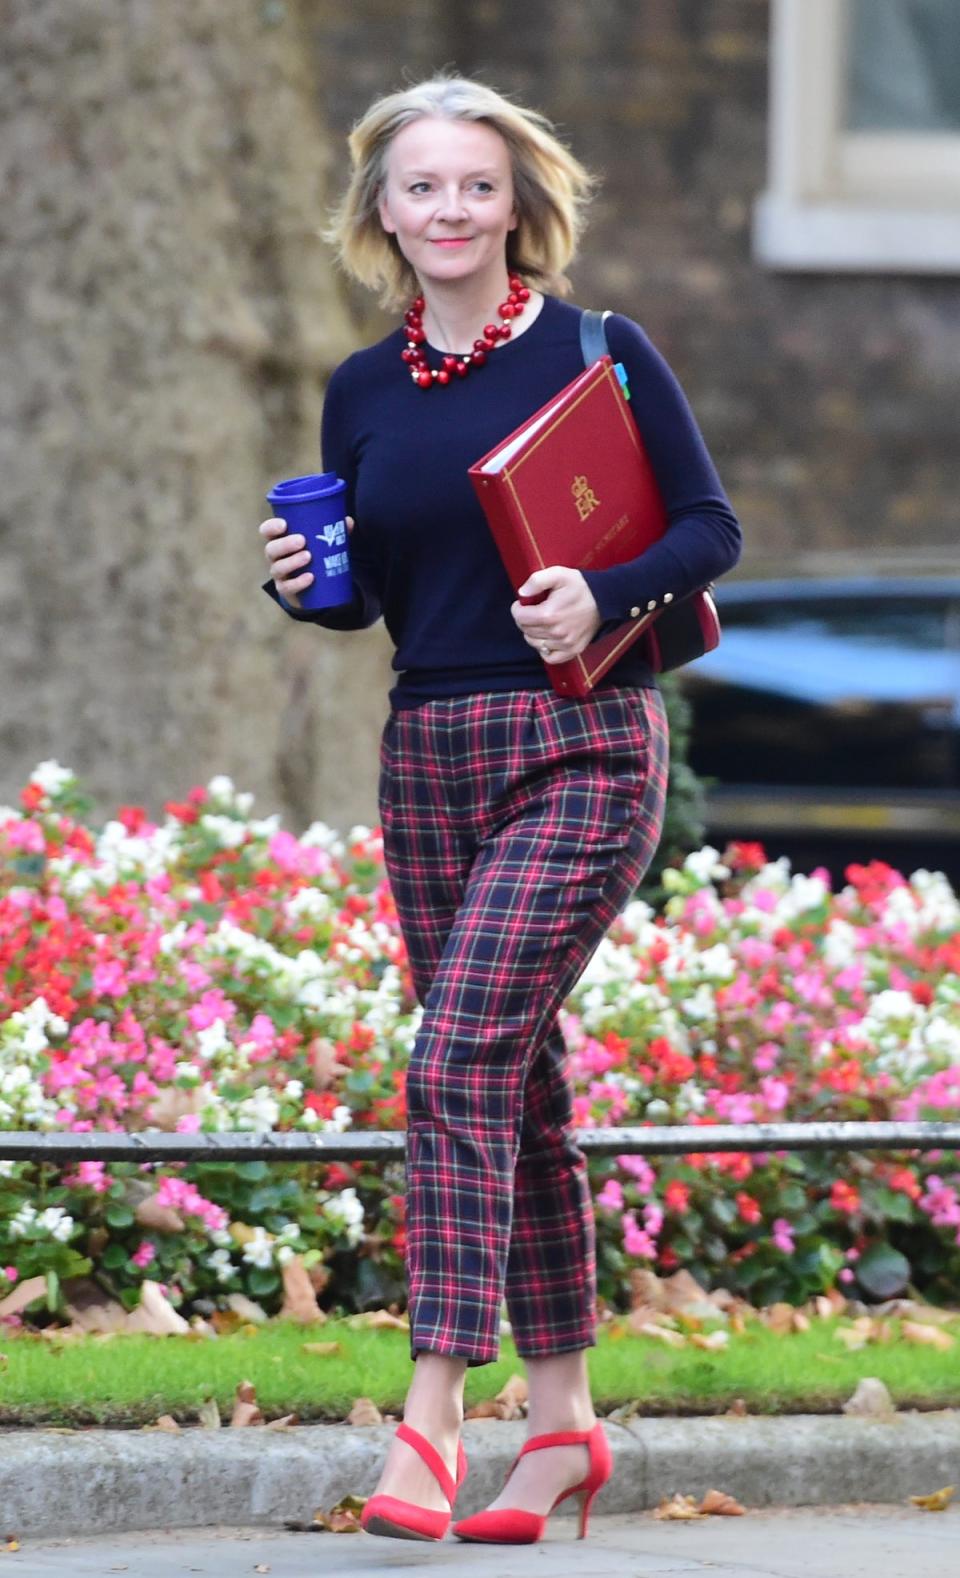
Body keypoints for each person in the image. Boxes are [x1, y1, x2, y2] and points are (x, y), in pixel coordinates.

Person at [259, 73, 741, 1545]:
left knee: (457, 1048)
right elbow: (386, 593)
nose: (451, 210)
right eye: (422, 188)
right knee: (511, 1079)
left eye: (478, 185)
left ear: (519, 203)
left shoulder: (602, 353)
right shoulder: (359, 389)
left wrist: (606, 586)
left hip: (585, 738)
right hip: (431, 748)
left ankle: (431, 1418)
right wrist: (306, 593)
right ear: (382, 212)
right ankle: (568, 1427)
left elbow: (711, 527)